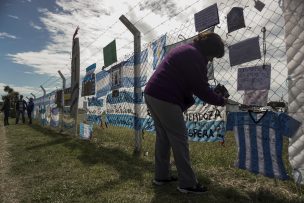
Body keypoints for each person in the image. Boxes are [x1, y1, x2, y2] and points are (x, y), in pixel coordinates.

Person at [144, 32, 228, 194]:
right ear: (209, 49)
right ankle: (187, 183)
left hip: (152, 93)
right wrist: (221, 100)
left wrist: (212, 94)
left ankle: (161, 176)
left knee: (163, 137)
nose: (211, 60)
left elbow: (192, 84)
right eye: (212, 56)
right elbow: (201, 89)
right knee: (179, 138)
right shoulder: (195, 56)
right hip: (165, 96)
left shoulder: (186, 50)